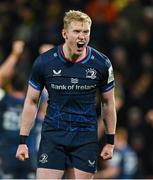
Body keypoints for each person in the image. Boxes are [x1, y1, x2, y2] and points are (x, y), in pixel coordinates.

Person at [16, 10, 117, 179]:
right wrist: (22, 141)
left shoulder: (102, 63)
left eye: (86, 32)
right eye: (77, 31)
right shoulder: (45, 62)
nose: (82, 37)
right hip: (53, 135)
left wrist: (110, 141)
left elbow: (108, 103)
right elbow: (32, 101)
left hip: (85, 138)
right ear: (64, 33)